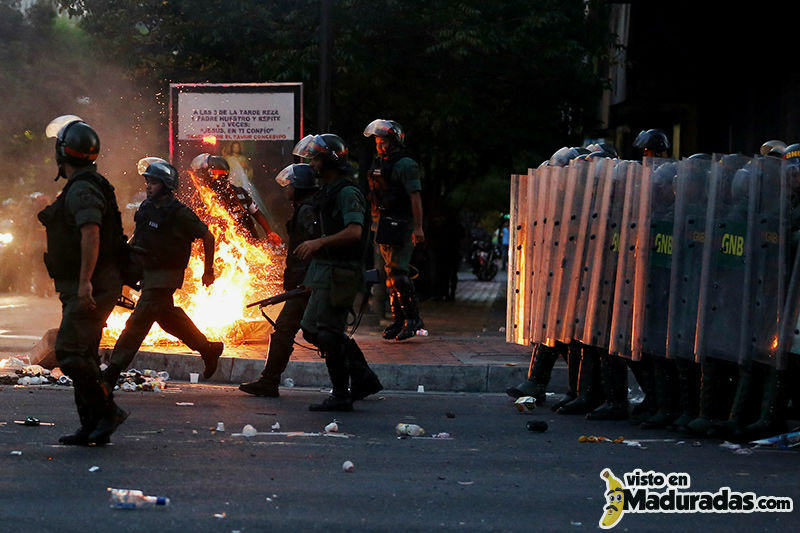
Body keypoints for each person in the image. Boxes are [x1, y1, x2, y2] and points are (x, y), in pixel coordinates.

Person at [37, 115, 127, 446]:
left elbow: (91, 233)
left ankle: (108, 412)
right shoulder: (83, 185)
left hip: (91, 287)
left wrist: (85, 282)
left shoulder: (83, 189)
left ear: (64, 154)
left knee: (69, 351)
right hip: (90, 284)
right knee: (84, 354)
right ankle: (91, 425)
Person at [102, 158, 224, 389]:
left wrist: (209, 271)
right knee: (167, 318)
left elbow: (207, 237)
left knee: (139, 320)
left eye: (154, 182)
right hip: (147, 270)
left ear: (166, 186)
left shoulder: (179, 213)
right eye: (147, 182)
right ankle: (208, 349)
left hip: (166, 273)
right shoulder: (146, 208)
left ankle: (112, 371)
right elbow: (138, 238)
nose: (148, 186)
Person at [293, 133, 383, 411]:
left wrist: (318, 242)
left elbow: (355, 232)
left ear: (330, 160)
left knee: (329, 334)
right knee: (311, 330)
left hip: (340, 272)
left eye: (316, 158)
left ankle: (342, 394)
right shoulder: (328, 191)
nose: (312, 164)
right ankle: (363, 377)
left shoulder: (347, 192)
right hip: (324, 271)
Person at [239, 163, 319, 397]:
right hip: (302, 283)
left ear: (300, 186)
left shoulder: (308, 212)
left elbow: (317, 249)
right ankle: (269, 381)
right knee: (288, 330)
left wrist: (310, 280)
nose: (286, 190)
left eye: (289, 185)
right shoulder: (305, 208)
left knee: (320, 333)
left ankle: (361, 378)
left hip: (308, 284)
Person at [363, 119, 425, 341]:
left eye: (384, 141)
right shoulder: (380, 164)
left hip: (402, 224)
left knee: (399, 273)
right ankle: (399, 319)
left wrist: (417, 227)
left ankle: (412, 319)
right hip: (383, 224)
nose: (380, 146)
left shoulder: (406, 165)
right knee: (390, 275)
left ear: (395, 141)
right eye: (378, 142)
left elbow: (415, 196)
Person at [189, 153, 281, 246]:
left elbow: (256, 213)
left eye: (202, 172)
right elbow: (256, 213)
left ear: (211, 173)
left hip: (230, 247)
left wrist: (269, 233)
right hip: (247, 244)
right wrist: (269, 232)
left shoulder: (206, 197)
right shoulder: (239, 191)